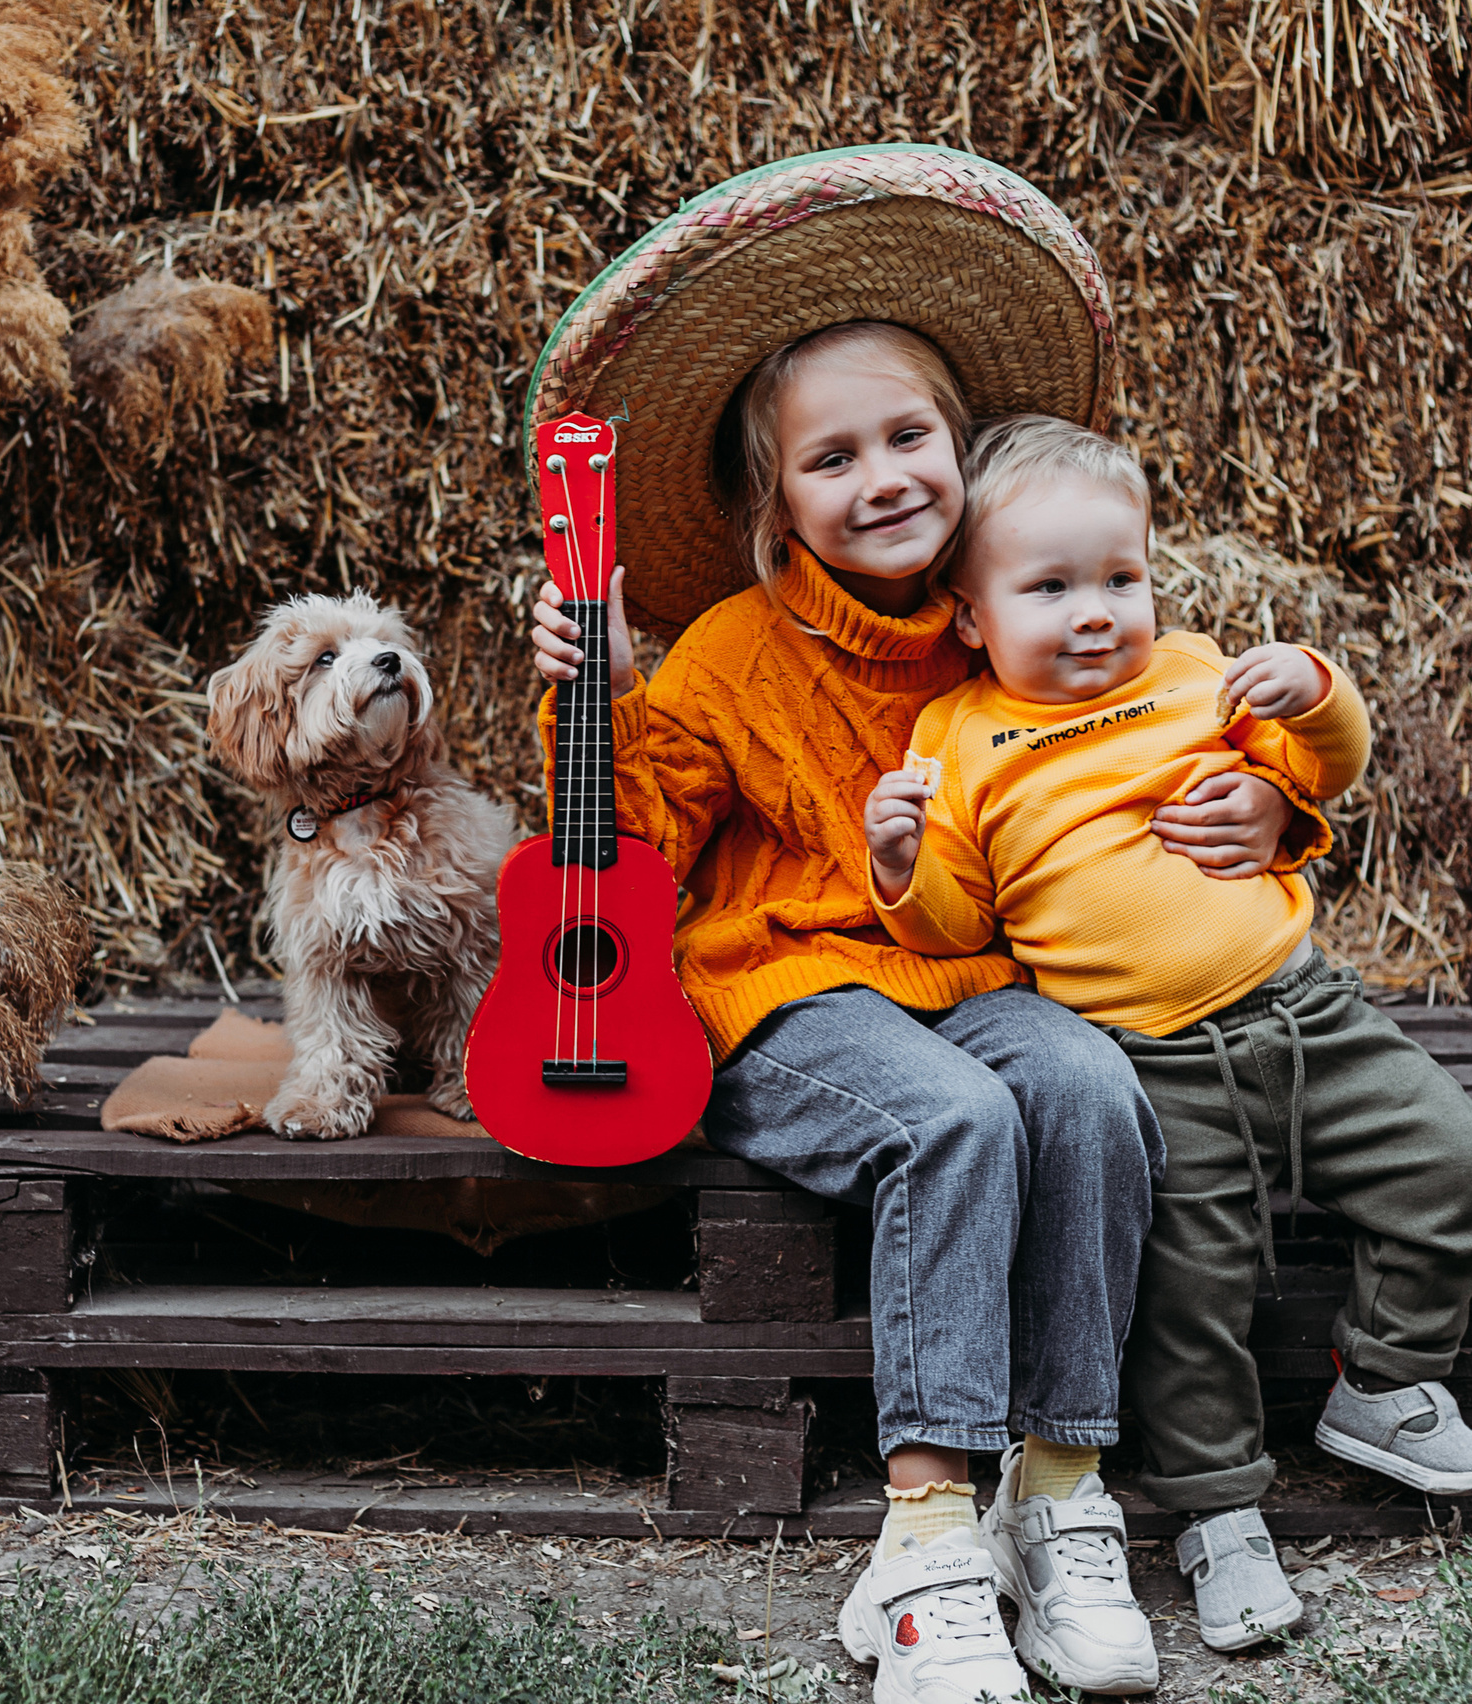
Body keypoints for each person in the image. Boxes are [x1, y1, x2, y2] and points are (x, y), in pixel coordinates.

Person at [519, 147, 1308, 1704]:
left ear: (962, 448)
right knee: (956, 1119)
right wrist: (594, 697)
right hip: (788, 994)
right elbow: (624, 857)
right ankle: (928, 1535)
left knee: (1084, 1084)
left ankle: (1059, 1495)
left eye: (908, 437)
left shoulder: (1017, 614)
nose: (881, 476)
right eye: (832, 458)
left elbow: (1168, 744)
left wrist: (1274, 803)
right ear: (774, 504)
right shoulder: (730, 654)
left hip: (975, 969)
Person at [863, 414, 1472, 1655]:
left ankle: (1383, 1380)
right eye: (1049, 589)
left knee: (1461, 1166)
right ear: (968, 616)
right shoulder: (958, 738)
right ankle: (1221, 1518)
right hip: (1152, 1061)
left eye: (1122, 578)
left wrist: (1316, 697)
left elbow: (1324, 768)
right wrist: (901, 867)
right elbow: (959, 920)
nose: (1095, 613)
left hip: (1306, 1014)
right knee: (1191, 1293)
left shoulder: (1191, 674)